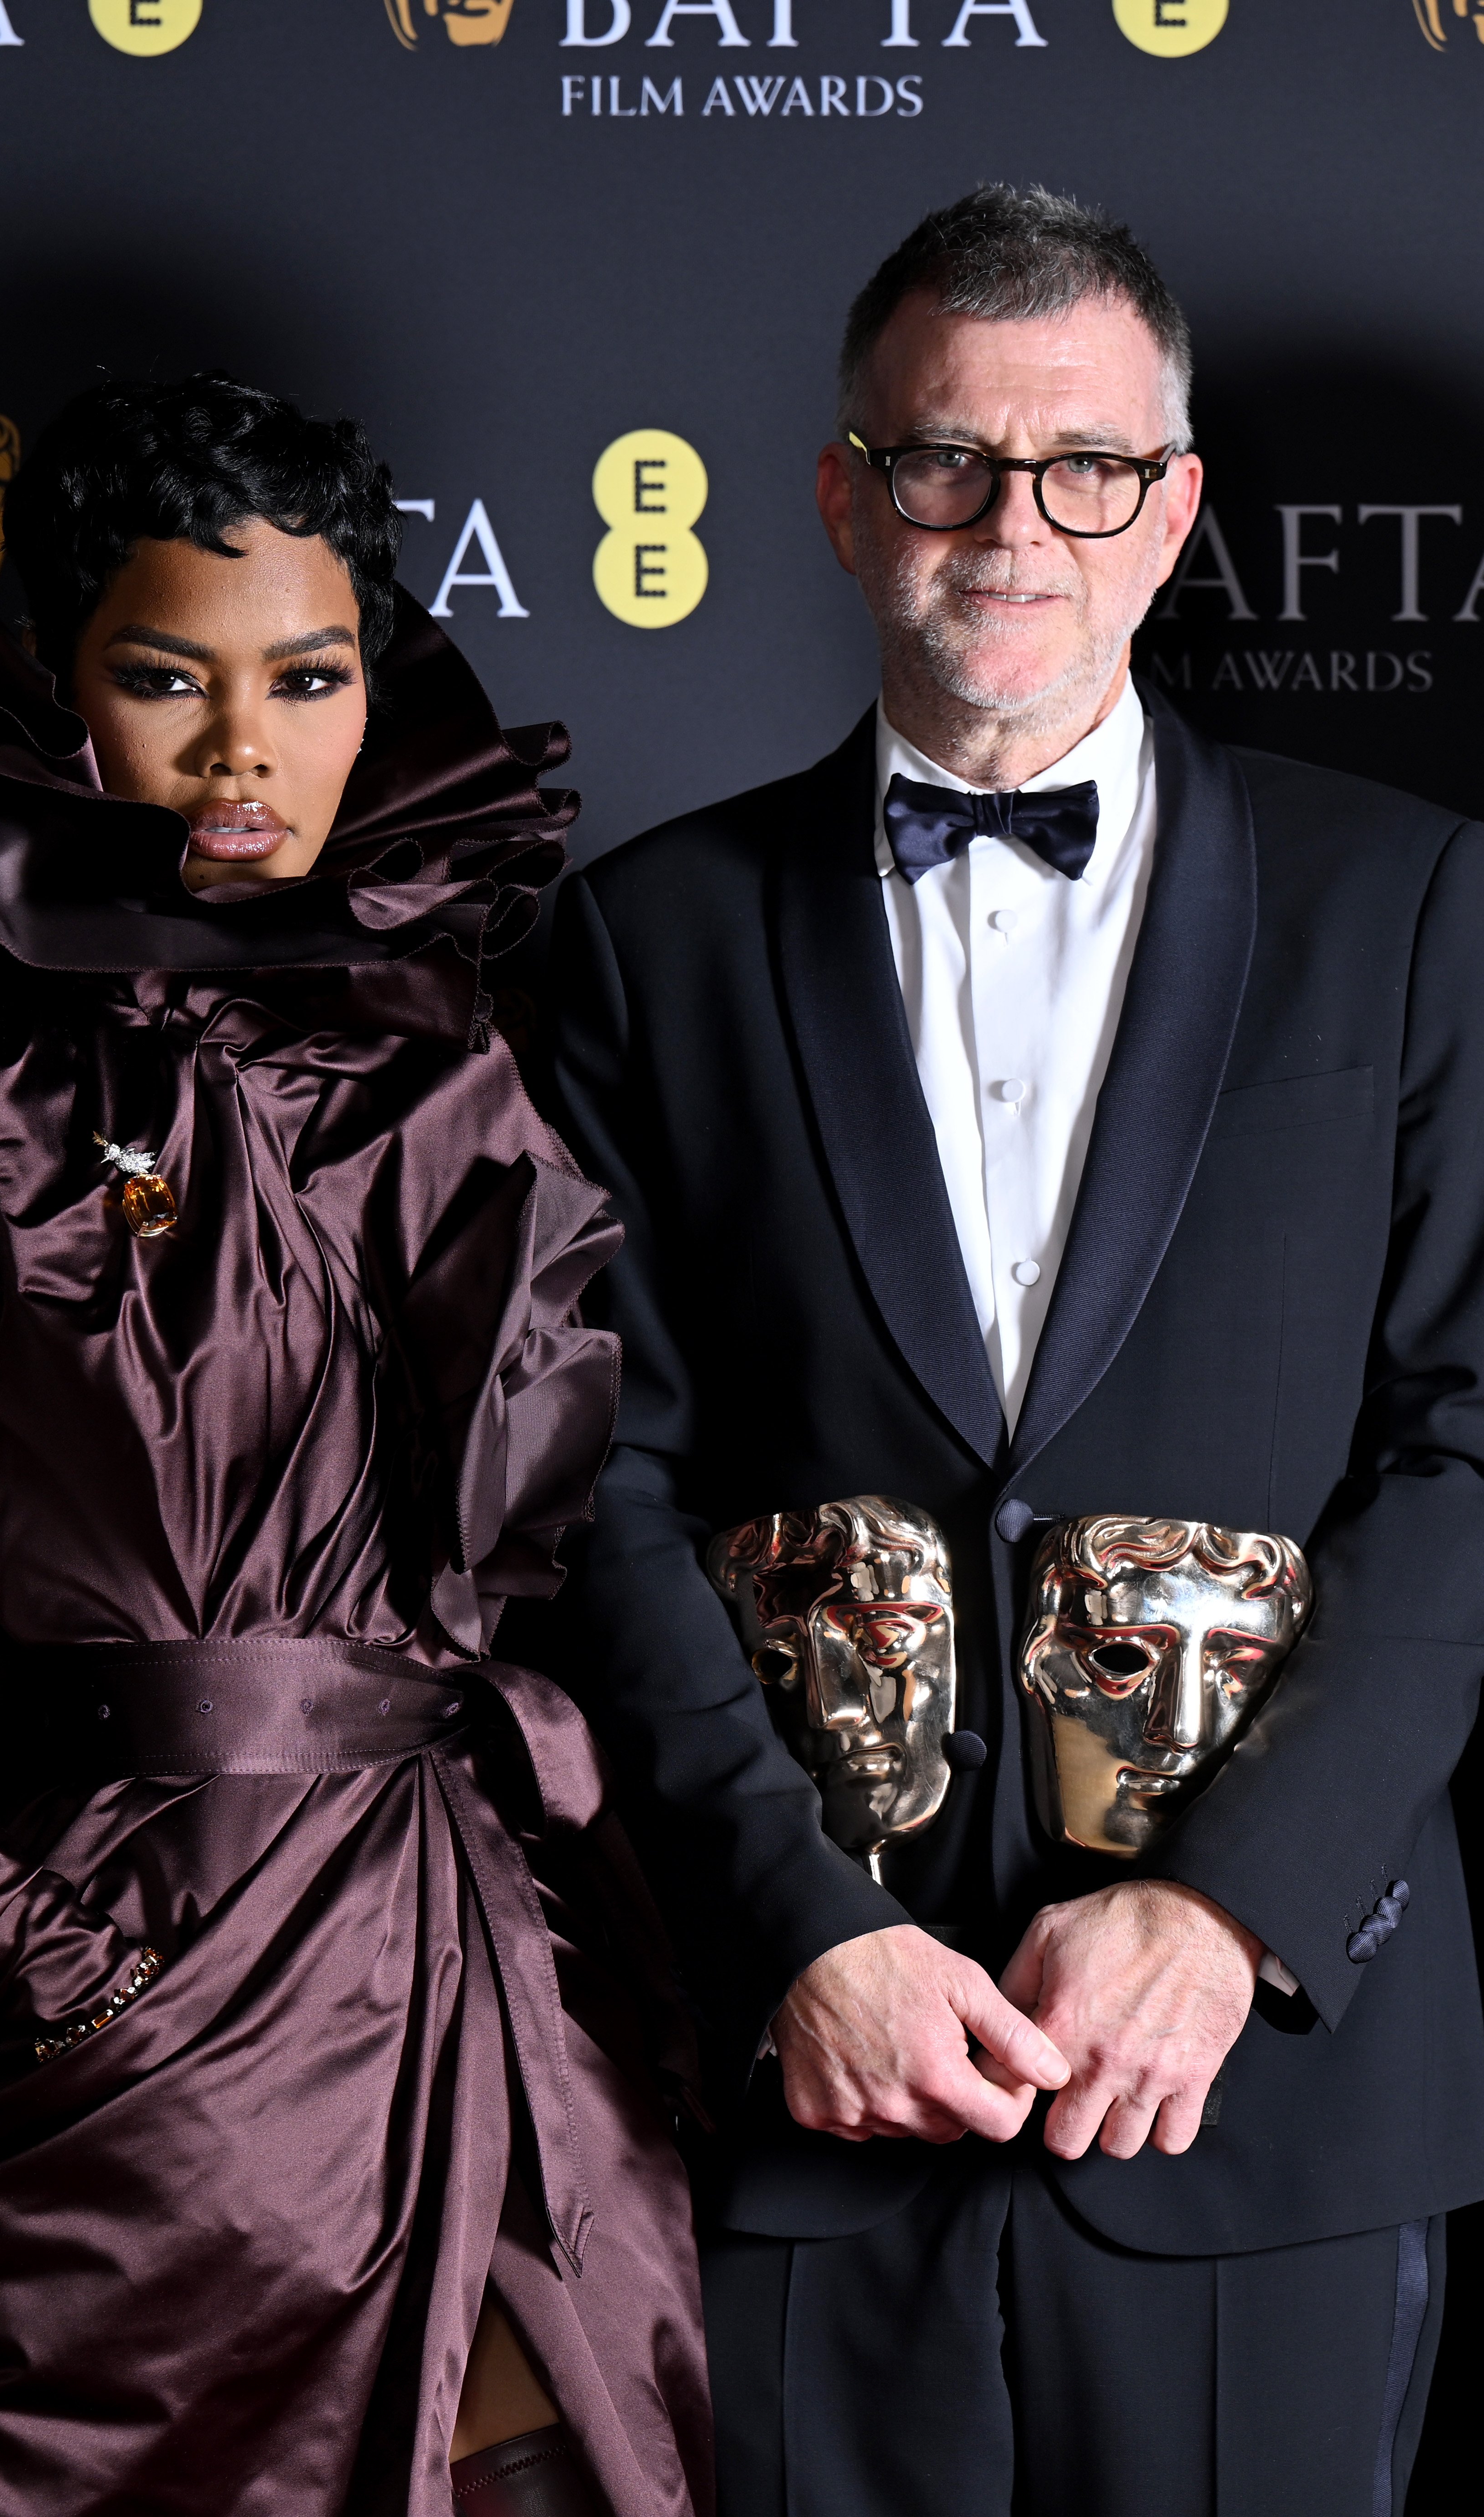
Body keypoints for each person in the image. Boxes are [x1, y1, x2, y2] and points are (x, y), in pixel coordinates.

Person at [0, 372, 713, 2517]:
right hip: (145, 2052)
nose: (239, 750)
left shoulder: (453, 1049)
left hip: (501, 1981)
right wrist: (33, 1949)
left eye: (304, 678)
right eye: (164, 677)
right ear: (56, 693)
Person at [546, 185, 1484, 2517]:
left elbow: (1468, 1450)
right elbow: (584, 1485)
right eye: (946, 461)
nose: (1012, 525)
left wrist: (1229, 1906)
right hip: (798, 2078)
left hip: (1250, 2087)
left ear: (1170, 510)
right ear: (844, 495)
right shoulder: (641, 940)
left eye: (1082, 467)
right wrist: (798, 1926)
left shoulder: (1410, 902)